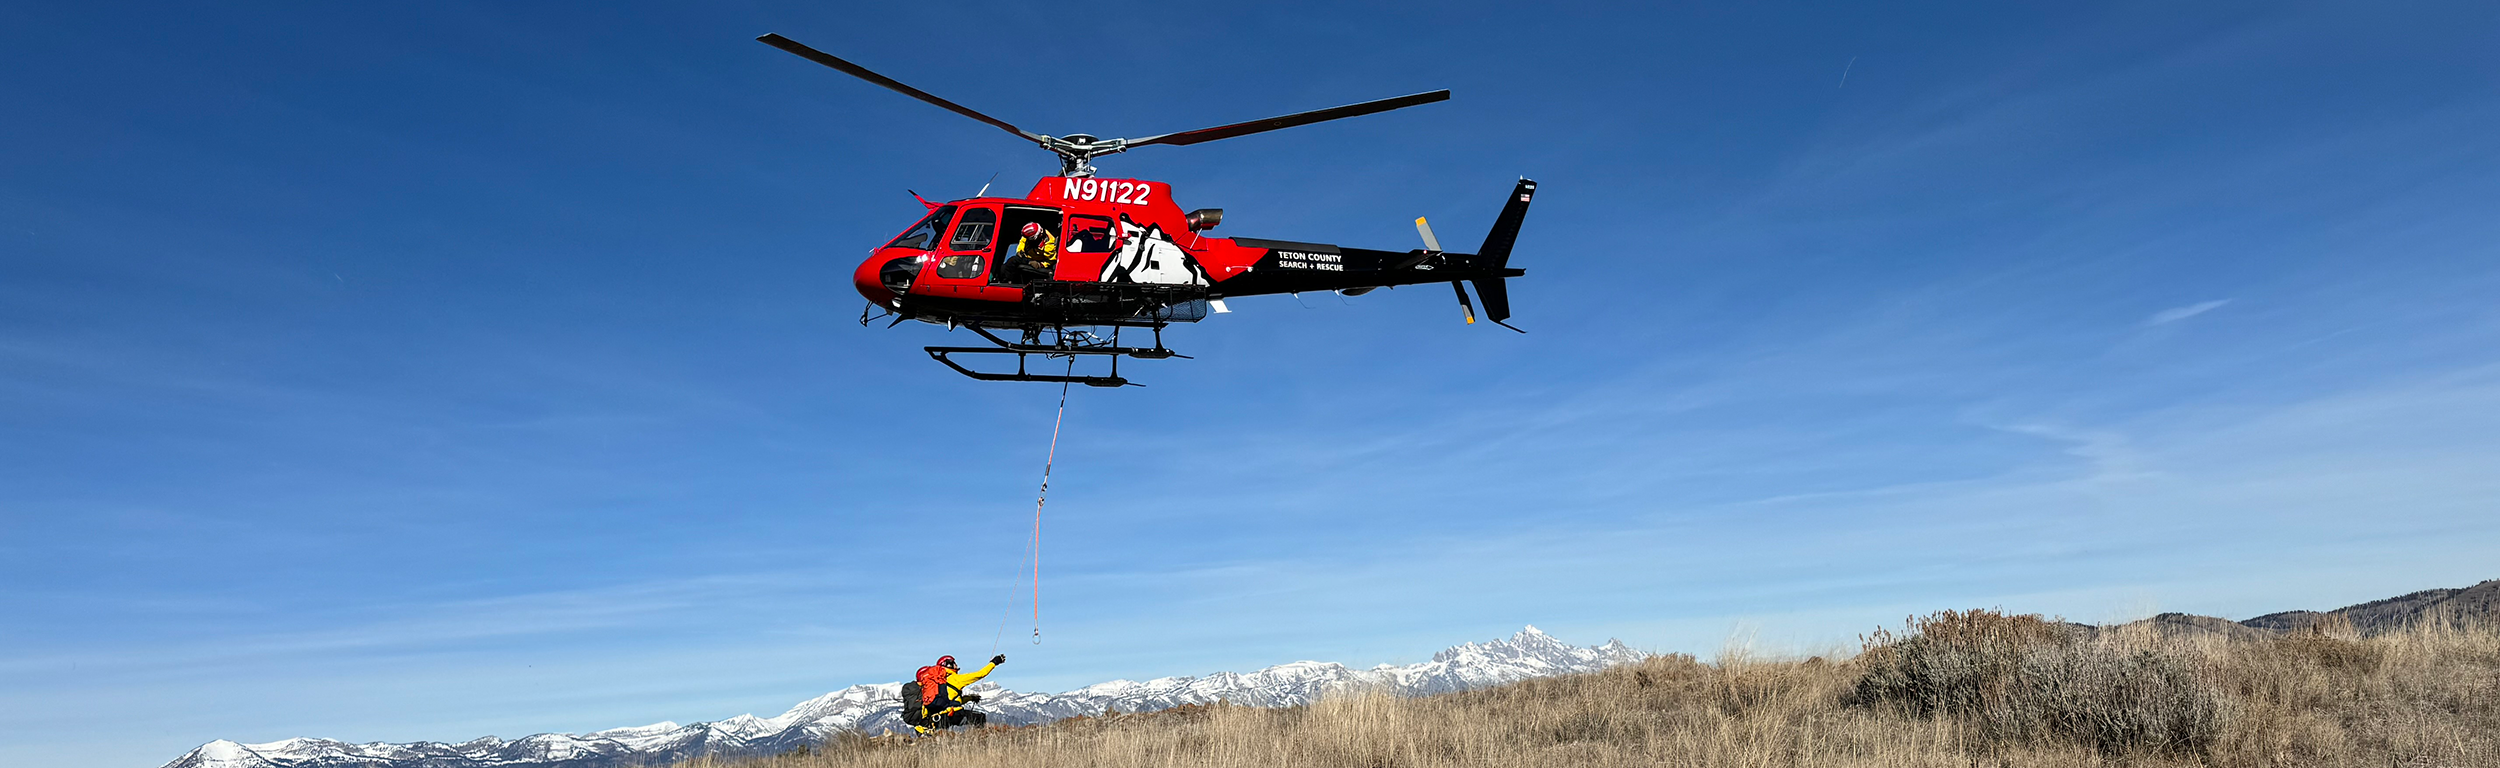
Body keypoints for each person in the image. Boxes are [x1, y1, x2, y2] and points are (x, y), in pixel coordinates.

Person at [912, 653, 1005, 733]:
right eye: (954, 663)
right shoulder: (956, 679)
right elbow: (980, 674)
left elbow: (950, 700)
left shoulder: (936, 683)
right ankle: (978, 739)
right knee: (979, 718)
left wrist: (970, 698)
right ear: (949, 665)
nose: (956, 665)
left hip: (938, 717)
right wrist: (994, 662)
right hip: (953, 714)